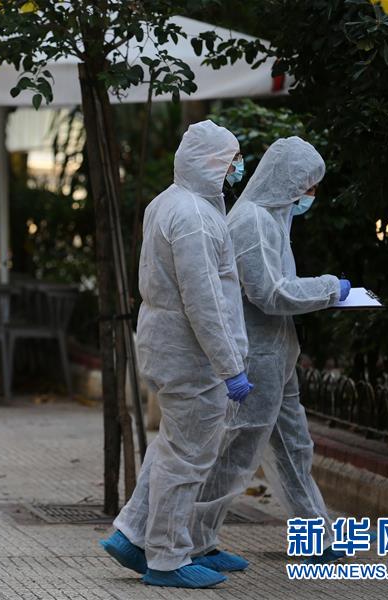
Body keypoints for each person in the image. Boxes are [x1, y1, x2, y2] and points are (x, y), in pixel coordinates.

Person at [100, 120, 252, 589]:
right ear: (209, 162)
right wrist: (231, 368)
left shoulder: (168, 203)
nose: (236, 169)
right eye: (231, 161)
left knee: (171, 447)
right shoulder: (194, 218)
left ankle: (132, 534)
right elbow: (204, 301)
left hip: (169, 345)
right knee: (187, 457)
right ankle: (167, 557)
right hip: (192, 354)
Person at [188, 137, 351, 566]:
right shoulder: (252, 221)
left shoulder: (274, 219)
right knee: (238, 452)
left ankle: (317, 536)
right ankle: (193, 540)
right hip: (256, 359)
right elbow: (270, 293)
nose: (310, 195)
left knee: (295, 447)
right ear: (289, 179)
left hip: (278, 356)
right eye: (308, 184)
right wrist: (330, 289)